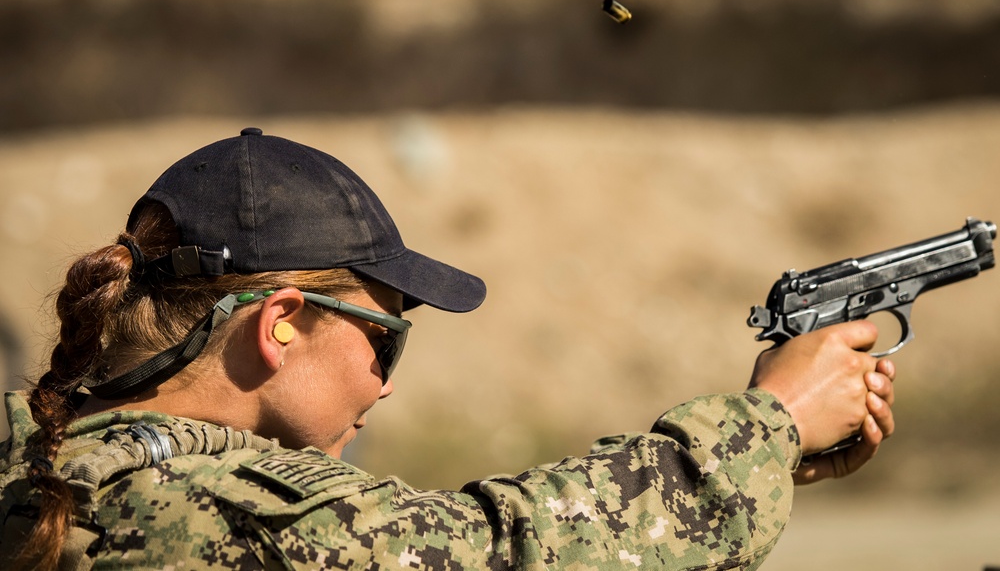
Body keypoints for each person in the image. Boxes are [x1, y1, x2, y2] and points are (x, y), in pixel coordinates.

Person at [0, 128, 895, 570]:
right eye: (385, 339)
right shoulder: (244, 526)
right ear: (278, 327)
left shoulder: (35, 454)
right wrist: (769, 424)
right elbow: (518, 547)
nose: (384, 387)